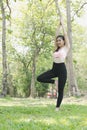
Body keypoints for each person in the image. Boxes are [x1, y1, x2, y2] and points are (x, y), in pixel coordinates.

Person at [37, 19, 70, 111]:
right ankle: (54, 82)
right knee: (39, 78)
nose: (58, 42)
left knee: (60, 90)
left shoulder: (66, 48)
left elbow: (66, 35)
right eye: (57, 41)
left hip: (62, 70)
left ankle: (57, 107)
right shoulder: (56, 48)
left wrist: (63, 25)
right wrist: (58, 26)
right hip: (54, 68)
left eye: (60, 40)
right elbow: (55, 36)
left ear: (64, 41)